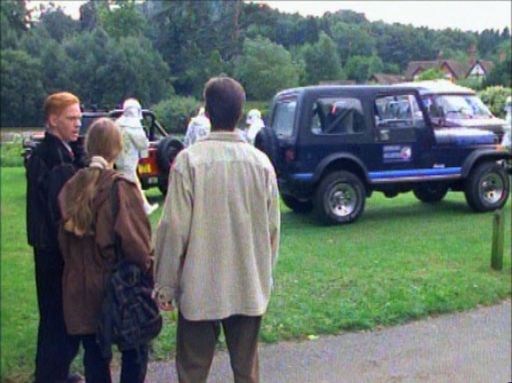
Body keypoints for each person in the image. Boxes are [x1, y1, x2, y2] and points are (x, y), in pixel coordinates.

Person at [154, 77, 281, 383]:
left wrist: (166, 284)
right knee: (246, 371)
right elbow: (272, 229)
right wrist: (264, 274)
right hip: (247, 282)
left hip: (200, 284)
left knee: (192, 371)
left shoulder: (189, 161)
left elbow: (173, 229)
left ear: (207, 112)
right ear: (240, 112)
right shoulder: (261, 163)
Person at [58, 117, 153, 383]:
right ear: (118, 148)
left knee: (95, 357)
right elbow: (136, 244)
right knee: (134, 352)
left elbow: (64, 242)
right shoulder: (120, 188)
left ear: (89, 146)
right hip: (116, 287)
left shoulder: (71, 186)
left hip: (78, 286)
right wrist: (148, 270)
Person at [26, 92, 85, 383]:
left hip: (49, 246)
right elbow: (61, 209)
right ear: (53, 120)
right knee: (56, 318)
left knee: (58, 317)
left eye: (79, 118)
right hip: (54, 249)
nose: (78, 124)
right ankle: (50, 376)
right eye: (71, 118)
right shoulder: (51, 156)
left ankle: (55, 374)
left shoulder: (62, 151)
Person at [115, 98, 158, 215]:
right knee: (133, 185)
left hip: (118, 160)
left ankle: (136, 207)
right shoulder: (134, 125)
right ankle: (143, 208)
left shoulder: (117, 123)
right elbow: (142, 143)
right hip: (129, 161)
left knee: (127, 184)